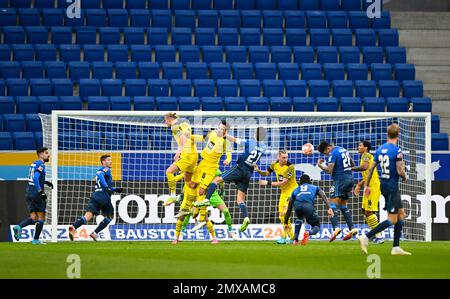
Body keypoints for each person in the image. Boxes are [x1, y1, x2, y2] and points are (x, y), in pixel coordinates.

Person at [196, 127, 268, 232]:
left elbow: (234, 139)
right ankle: (246, 218)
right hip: (249, 173)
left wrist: (224, 134)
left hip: (240, 168)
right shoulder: (264, 147)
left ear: (255, 134)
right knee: (240, 200)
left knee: (216, 180)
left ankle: (206, 200)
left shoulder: (250, 142)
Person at [357, 124, 411, 255]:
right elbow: (399, 170)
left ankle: (396, 247)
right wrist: (405, 176)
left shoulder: (380, 149)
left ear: (387, 134)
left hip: (384, 185)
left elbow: (370, 169)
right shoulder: (397, 151)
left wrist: (367, 185)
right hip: (392, 186)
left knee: (401, 214)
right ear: (398, 135)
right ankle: (367, 237)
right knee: (393, 219)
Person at [68, 155, 123, 241]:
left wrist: (115, 189)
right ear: (103, 162)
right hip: (103, 196)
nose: (111, 161)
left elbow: (104, 184)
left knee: (87, 216)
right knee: (110, 216)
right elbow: (100, 175)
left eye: (111, 160)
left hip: (95, 195)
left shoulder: (103, 170)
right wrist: (107, 187)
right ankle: (95, 233)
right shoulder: (105, 169)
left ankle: (73, 227)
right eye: (108, 160)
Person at [255, 150, 298, 244]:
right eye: (283, 157)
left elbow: (283, 182)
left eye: (286, 157)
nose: (285, 159)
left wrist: (267, 183)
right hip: (284, 192)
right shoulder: (275, 164)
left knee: (285, 213)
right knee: (281, 216)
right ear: (279, 157)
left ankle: (285, 237)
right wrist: (258, 170)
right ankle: (291, 237)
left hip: (293, 192)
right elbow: (267, 173)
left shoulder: (290, 167)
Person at [317, 141, 357, 242]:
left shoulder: (333, 153)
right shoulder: (343, 149)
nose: (326, 155)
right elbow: (352, 164)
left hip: (340, 180)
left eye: (325, 153)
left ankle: (336, 228)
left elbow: (329, 170)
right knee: (343, 205)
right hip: (350, 179)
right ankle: (352, 229)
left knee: (332, 205)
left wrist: (320, 165)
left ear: (328, 149)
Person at [13, 147, 53, 244]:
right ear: (40, 155)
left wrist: (45, 181)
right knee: (41, 217)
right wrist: (40, 191)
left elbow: (33, 177)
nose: (49, 155)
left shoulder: (34, 163)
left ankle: (18, 227)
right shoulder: (41, 164)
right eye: (46, 153)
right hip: (36, 193)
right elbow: (35, 178)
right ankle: (35, 240)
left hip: (29, 191)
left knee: (34, 217)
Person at [284, 174, 334, 246]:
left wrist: (285, 222)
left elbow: (289, 208)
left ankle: (295, 240)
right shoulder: (315, 187)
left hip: (297, 206)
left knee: (299, 218)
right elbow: (323, 195)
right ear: (309, 181)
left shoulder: (295, 190)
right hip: (308, 206)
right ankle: (308, 232)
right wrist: (329, 207)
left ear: (300, 182)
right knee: (316, 226)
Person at [352, 140, 384, 244]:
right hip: (368, 186)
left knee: (369, 212)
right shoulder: (365, 157)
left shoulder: (366, 155)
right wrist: (359, 185)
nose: (358, 147)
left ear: (366, 148)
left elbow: (364, 167)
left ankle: (379, 236)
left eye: (360, 145)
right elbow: (367, 175)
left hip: (373, 187)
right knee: (365, 211)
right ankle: (375, 234)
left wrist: (350, 168)